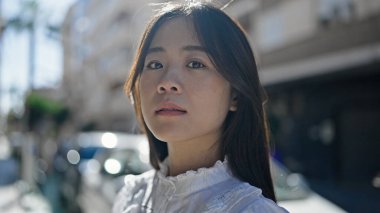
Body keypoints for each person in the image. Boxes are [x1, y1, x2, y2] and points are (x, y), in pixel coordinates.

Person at [113, 2, 288, 212]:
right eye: (155, 64)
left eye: (195, 64)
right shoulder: (131, 197)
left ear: (235, 95)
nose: (167, 82)